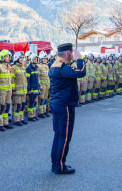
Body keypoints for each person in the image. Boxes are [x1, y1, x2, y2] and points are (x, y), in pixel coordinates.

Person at [49, 43, 85, 174]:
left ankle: (56, 164)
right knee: (64, 136)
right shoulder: (63, 67)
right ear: (67, 54)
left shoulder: (55, 65)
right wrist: (79, 59)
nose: (72, 54)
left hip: (57, 103)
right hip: (64, 105)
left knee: (58, 135)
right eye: (71, 53)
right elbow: (81, 72)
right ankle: (59, 166)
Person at [0, 50, 14, 130]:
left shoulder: (9, 67)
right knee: (1, 107)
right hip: (1, 91)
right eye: (6, 56)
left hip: (8, 90)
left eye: (8, 56)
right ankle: (0, 124)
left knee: (7, 107)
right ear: (2, 57)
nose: (8, 58)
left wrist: (12, 89)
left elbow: (11, 79)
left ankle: (6, 123)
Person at [10, 52, 28, 125]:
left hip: (24, 90)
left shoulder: (23, 66)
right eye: (20, 58)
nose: (22, 59)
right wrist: (13, 89)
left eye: (22, 58)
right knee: (17, 105)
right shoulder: (14, 67)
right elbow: (12, 79)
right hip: (17, 91)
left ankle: (21, 118)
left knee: (22, 105)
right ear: (16, 59)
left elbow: (25, 78)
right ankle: (16, 120)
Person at [26, 54, 41, 121]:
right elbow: (27, 79)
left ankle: (34, 115)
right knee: (31, 102)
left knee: (35, 102)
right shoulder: (28, 68)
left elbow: (37, 78)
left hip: (36, 88)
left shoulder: (37, 67)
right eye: (34, 59)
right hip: (31, 88)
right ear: (31, 60)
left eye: (36, 59)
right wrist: (28, 89)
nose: (36, 60)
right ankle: (30, 116)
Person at [38, 51, 50, 118]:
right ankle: (40, 112)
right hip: (42, 85)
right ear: (41, 59)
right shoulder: (39, 66)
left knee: (45, 99)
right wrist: (40, 85)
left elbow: (48, 76)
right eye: (44, 59)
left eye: (46, 59)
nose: (45, 60)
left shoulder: (47, 66)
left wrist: (49, 84)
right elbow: (38, 76)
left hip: (47, 84)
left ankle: (45, 111)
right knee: (41, 99)